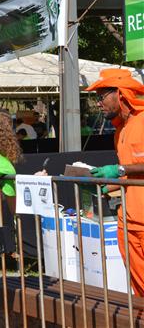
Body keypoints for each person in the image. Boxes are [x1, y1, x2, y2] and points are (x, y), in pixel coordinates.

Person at [86, 68, 144, 296]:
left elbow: (125, 169)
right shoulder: (119, 130)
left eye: (101, 96)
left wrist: (119, 169)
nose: (98, 103)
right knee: (138, 287)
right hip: (127, 222)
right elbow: (129, 177)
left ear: (119, 94)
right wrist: (105, 184)